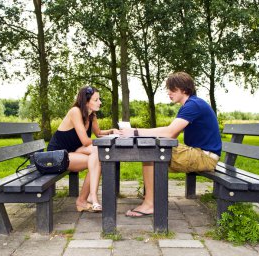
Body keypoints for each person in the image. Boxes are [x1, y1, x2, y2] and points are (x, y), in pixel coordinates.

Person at [121, 72, 222, 217]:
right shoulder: (190, 105)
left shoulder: (193, 105)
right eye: (168, 89)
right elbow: (172, 135)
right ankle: (151, 198)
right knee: (151, 150)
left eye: (173, 89)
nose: (169, 93)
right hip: (200, 153)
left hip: (205, 157)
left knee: (150, 154)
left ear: (185, 90)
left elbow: (169, 133)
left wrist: (135, 132)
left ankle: (150, 204)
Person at [47, 86, 119, 212]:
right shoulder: (75, 111)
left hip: (73, 151)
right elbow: (86, 141)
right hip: (57, 155)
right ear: (86, 101)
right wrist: (105, 141)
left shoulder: (92, 115)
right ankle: (89, 198)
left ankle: (87, 198)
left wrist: (112, 131)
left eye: (99, 99)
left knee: (97, 155)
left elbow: (98, 133)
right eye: (96, 100)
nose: (100, 102)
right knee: (97, 159)